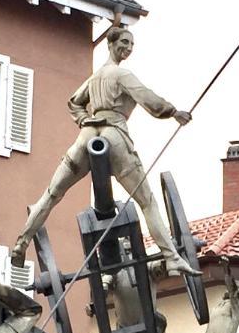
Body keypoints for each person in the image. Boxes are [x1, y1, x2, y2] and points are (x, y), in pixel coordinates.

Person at [12, 26, 198, 278]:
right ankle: (172, 258)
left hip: (87, 135)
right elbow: (148, 99)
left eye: (131, 44)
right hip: (114, 134)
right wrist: (173, 112)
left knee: (52, 193)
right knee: (147, 201)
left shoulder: (95, 77)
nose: (129, 48)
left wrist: (83, 120)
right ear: (110, 44)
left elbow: (73, 102)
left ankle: (21, 243)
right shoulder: (121, 75)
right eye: (124, 41)